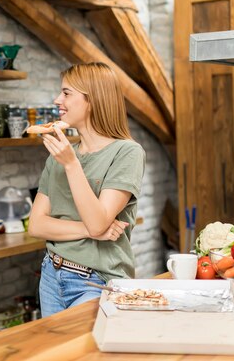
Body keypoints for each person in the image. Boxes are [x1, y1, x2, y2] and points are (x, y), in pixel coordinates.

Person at [28, 62, 145, 317]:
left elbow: (97, 223)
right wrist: (93, 232)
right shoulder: (58, 156)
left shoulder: (127, 153)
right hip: (51, 275)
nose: (58, 99)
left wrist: (71, 164)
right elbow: (36, 225)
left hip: (95, 281)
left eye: (67, 93)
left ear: (92, 99)